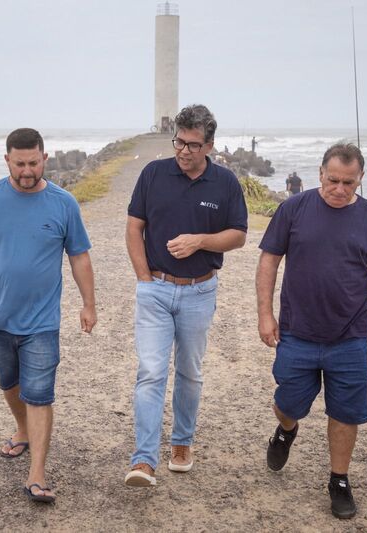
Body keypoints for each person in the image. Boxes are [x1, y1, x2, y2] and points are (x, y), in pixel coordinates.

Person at [0, 128, 97, 504]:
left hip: (42, 322)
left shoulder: (63, 204)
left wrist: (88, 303)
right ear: (7, 160)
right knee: (9, 381)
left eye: (33, 163)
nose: (27, 171)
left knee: (40, 394)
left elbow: (79, 256)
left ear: (45, 158)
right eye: (19, 164)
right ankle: (22, 429)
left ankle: (37, 475)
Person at [255, 143, 367, 519]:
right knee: (288, 404)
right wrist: (265, 315)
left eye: (349, 183)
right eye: (333, 180)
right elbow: (269, 260)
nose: (339, 189)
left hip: (350, 336)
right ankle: (286, 430)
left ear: (361, 178)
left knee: (346, 412)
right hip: (296, 332)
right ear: (320, 173)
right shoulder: (293, 208)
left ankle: (339, 481)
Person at [124, 104, 248, 487]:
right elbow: (134, 227)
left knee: (189, 372)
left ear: (209, 145)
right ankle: (144, 460)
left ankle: (181, 442)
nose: (183, 151)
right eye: (179, 142)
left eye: (193, 145)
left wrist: (200, 241)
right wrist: (144, 279)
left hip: (200, 291)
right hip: (156, 290)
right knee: (151, 372)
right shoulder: (152, 174)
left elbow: (239, 235)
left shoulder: (225, 183)